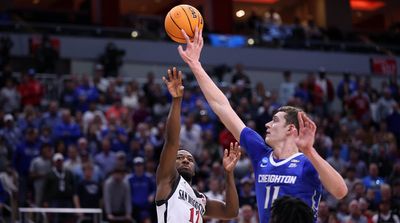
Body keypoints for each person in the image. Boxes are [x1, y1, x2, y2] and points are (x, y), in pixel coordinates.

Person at [177, 27, 348, 222]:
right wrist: (196, 65)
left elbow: (340, 191)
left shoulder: (308, 163)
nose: (268, 124)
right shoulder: (261, 154)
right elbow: (222, 107)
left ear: (291, 129)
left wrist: (309, 151)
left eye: (275, 120)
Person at [155, 67, 241, 222]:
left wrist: (228, 174)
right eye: (180, 157)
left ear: (195, 170)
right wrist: (177, 100)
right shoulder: (167, 179)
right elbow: (172, 141)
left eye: (190, 159)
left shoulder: (200, 199)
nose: (186, 160)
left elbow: (231, 211)